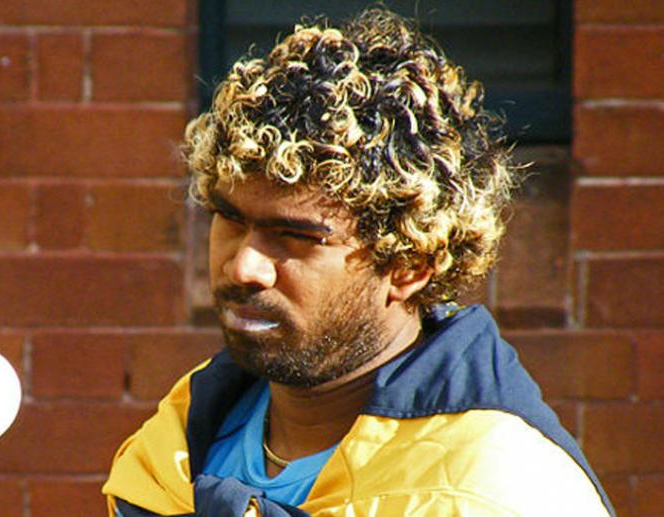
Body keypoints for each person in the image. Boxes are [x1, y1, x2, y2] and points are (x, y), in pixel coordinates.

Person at [102, 8, 614, 516]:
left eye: (295, 237)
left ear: (409, 265)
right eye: (231, 219)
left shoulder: (499, 492)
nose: (244, 267)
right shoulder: (178, 441)